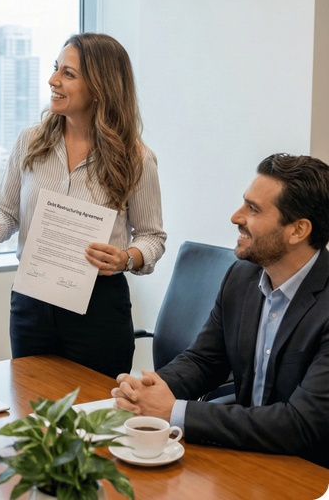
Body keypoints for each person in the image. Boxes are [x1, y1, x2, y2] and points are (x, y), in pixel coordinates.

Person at [0, 33, 166, 378]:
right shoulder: (30, 142)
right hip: (32, 303)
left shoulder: (136, 158)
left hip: (99, 308)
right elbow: (6, 214)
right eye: (56, 69)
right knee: (33, 412)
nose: (53, 80)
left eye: (68, 74)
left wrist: (126, 257)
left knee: (94, 418)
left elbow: (152, 237)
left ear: (100, 86)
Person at [112, 153, 329, 467]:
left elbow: (301, 424)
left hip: (309, 470)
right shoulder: (242, 277)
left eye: (253, 209)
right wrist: (149, 391)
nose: (235, 217)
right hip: (245, 455)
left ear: (298, 230)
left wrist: (174, 412)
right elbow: (204, 360)